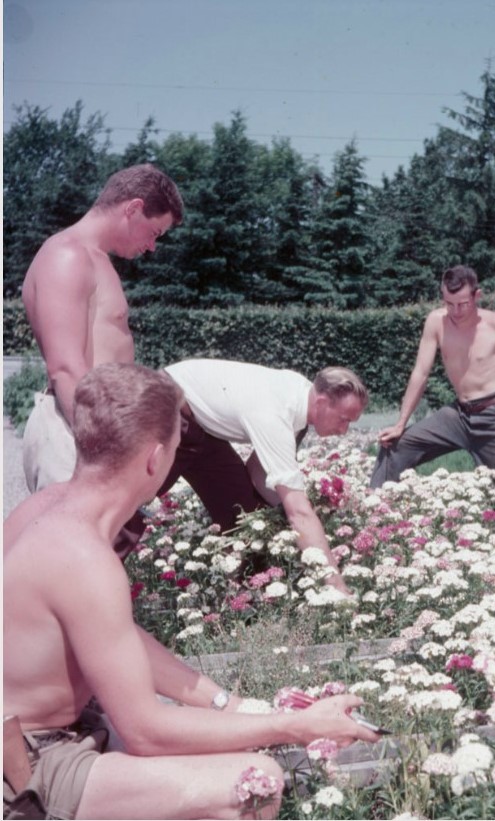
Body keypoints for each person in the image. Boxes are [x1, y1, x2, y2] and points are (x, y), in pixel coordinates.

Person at [3, 363, 378, 820]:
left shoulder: (44, 511)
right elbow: (146, 731)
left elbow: (109, 631)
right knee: (255, 782)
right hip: (31, 761)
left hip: (37, 730)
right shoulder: (87, 561)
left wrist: (229, 703)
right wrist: (296, 725)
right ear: (156, 459)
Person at [21, 164, 184, 556]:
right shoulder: (67, 255)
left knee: (92, 575)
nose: (152, 246)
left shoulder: (95, 259)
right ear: (133, 208)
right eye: (155, 232)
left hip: (91, 431)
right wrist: (111, 452)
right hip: (77, 431)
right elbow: (64, 369)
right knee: (68, 573)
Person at [158, 359, 369, 597]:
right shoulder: (277, 414)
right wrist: (337, 587)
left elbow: (258, 474)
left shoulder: (302, 400)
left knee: (242, 513)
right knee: (127, 507)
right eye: (344, 419)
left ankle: (242, 603)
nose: (344, 431)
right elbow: (298, 513)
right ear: (321, 402)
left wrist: (289, 519)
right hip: (164, 406)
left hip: (201, 427)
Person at [370, 265, 495, 494]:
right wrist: (401, 423)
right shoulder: (436, 321)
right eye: (449, 303)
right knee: (395, 446)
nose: (456, 311)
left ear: (477, 295)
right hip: (459, 416)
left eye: (463, 304)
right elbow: (421, 373)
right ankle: (376, 514)